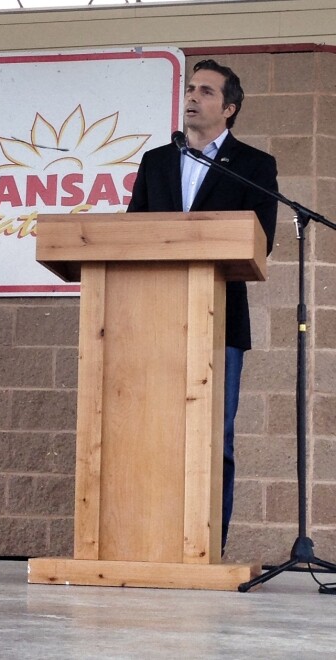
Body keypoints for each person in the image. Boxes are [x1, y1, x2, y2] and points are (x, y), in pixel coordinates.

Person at [127, 59, 278, 553]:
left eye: (206, 91)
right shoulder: (156, 162)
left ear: (229, 108)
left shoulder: (255, 167)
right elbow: (131, 238)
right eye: (190, 88)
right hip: (157, 319)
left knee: (218, 438)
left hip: (221, 323)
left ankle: (209, 548)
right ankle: (152, 541)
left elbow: (262, 241)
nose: (192, 97)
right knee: (154, 432)